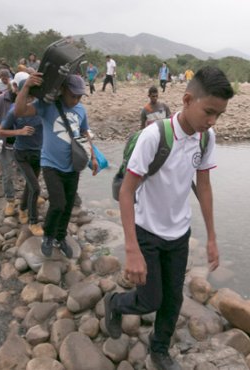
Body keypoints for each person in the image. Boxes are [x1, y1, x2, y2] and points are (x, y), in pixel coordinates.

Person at [104, 66, 233, 370]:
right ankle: (114, 303)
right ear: (188, 100)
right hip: (146, 231)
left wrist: (212, 237)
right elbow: (126, 191)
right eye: (209, 112)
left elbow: (203, 186)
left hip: (179, 234)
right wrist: (131, 249)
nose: (213, 121)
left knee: (173, 300)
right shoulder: (155, 136)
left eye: (219, 115)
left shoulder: (205, 138)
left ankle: (159, 349)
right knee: (150, 300)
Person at [15, 73, 99, 258]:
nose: (76, 100)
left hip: (73, 166)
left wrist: (93, 157)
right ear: (62, 91)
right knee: (58, 204)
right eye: (73, 95)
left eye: (79, 96)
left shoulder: (81, 110)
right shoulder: (47, 106)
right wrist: (26, 87)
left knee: (68, 206)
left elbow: (85, 133)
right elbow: (20, 111)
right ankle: (48, 235)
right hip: (51, 164)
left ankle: (60, 238)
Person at [0, 75, 44, 236]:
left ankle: (23, 208)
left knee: (30, 185)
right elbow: (1, 131)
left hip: (38, 153)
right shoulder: (14, 111)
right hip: (21, 153)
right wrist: (20, 132)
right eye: (28, 95)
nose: (31, 99)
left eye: (33, 96)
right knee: (35, 188)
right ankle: (33, 222)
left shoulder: (42, 107)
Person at [0, 72, 30, 216]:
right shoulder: (1, 100)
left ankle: (31, 196)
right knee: (8, 174)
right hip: (7, 143)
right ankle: (10, 200)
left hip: (27, 143)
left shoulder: (31, 99)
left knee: (30, 173)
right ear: (14, 86)